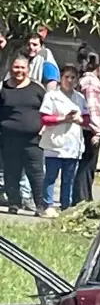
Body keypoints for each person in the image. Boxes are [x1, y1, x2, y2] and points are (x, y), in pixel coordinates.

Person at [0, 55, 47, 216]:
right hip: (9, 139)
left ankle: (40, 206)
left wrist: (44, 128)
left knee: (36, 173)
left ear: (28, 69)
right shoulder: (3, 88)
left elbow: (48, 110)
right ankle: (14, 203)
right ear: (10, 68)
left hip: (33, 139)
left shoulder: (37, 89)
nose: (19, 71)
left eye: (22, 68)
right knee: (11, 172)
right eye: (16, 67)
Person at [40, 64, 89, 215]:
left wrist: (79, 119)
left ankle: (65, 206)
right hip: (54, 142)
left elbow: (87, 119)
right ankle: (47, 205)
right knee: (51, 176)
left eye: (73, 77)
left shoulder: (80, 98)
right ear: (61, 78)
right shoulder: (51, 96)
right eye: (66, 77)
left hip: (73, 143)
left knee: (68, 178)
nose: (69, 80)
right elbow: (45, 118)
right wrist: (63, 119)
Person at [73, 48, 100, 206]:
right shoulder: (90, 82)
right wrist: (96, 130)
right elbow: (91, 107)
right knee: (87, 165)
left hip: (91, 128)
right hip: (91, 129)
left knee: (89, 164)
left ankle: (85, 197)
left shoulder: (87, 80)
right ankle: (82, 199)